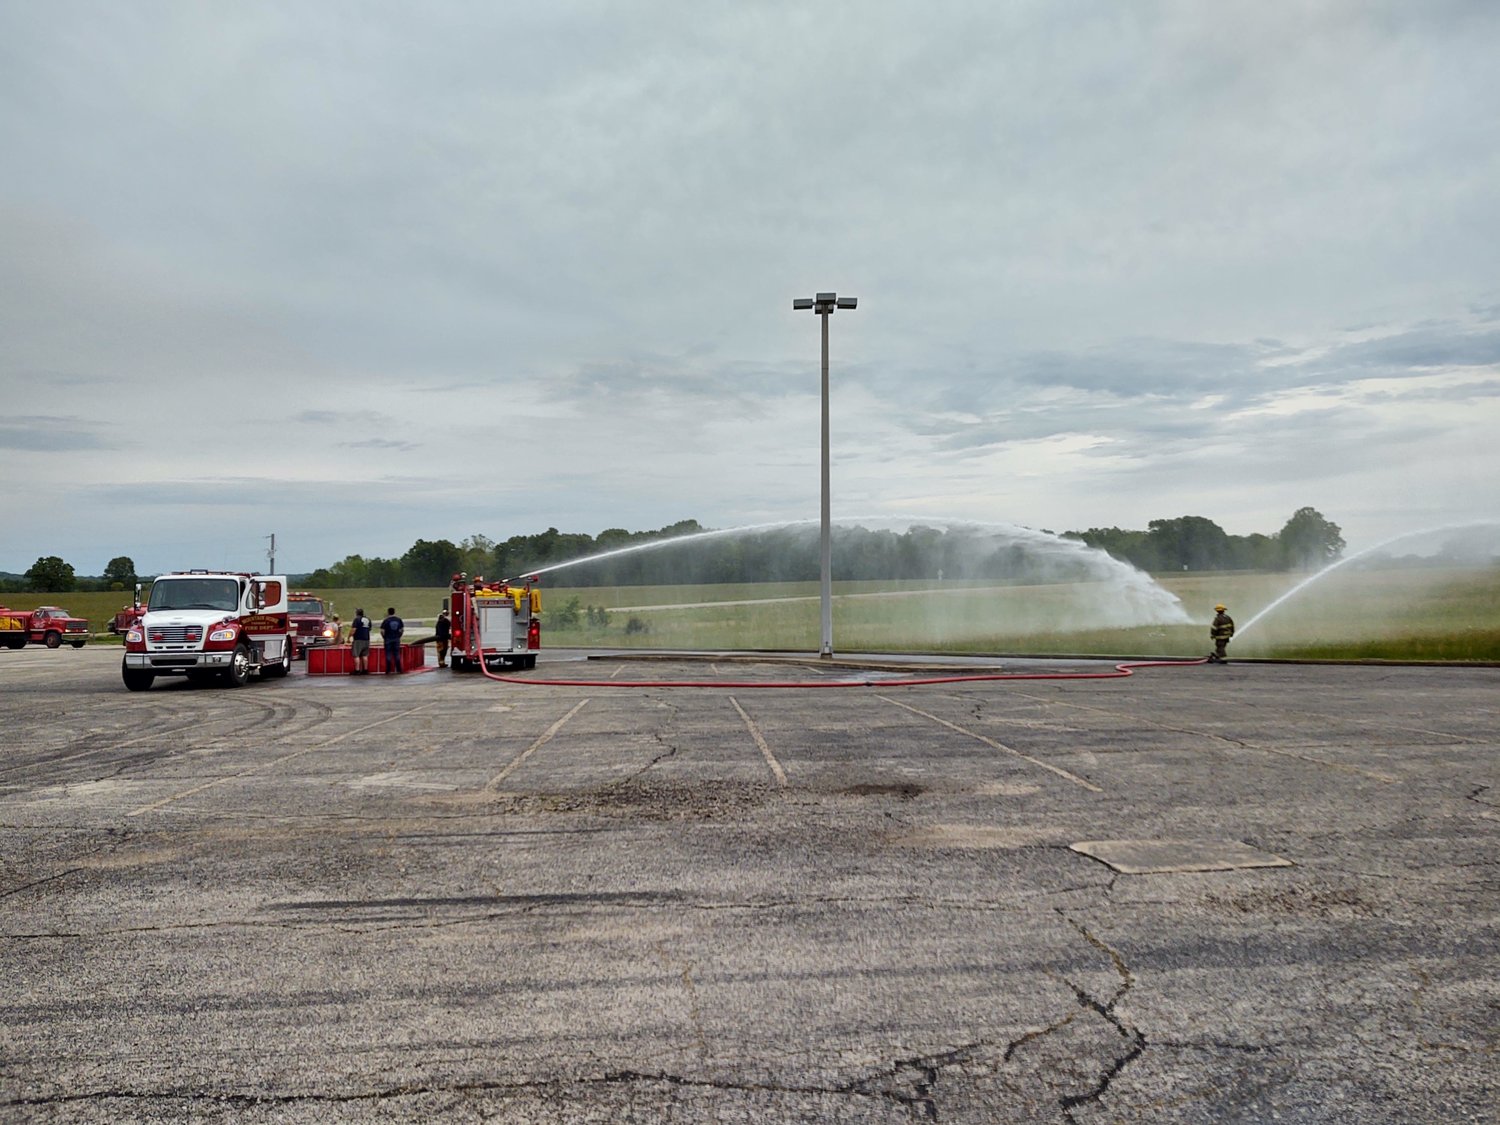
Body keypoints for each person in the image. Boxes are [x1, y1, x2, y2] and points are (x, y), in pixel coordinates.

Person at [380, 607, 405, 674]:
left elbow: (382, 631)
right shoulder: (398, 620)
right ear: (394, 612)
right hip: (396, 638)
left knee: (388, 654)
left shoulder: (386, 620)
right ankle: (399, 669)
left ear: (388, 612)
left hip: (388, 639)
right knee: (397, 654)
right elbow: (402, 630)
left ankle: (388, 670)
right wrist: (399, 636)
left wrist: (384, 637)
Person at [349, 608, 372, 675]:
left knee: (356, 655)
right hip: (366, 639)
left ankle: (357, 670)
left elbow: (354, 629)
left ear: (357, 613)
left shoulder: (357, 619)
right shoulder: (368, 619)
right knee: (365, 655)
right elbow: (369, 629)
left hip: (358, 639)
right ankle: (365, 670)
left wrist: (349, 637)